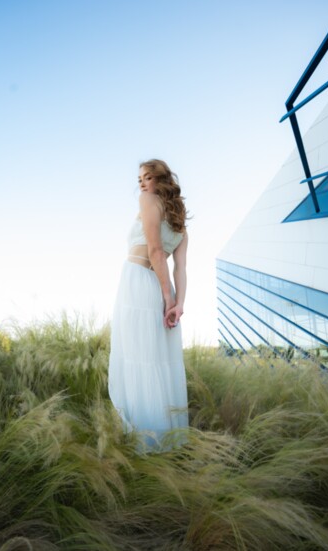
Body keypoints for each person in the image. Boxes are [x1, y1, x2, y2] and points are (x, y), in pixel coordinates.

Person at [108, 159, 189, 451]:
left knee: (137, 357)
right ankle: (163, 440)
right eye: (139, 178)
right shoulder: (181, 224)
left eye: (148, 177)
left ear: (161, 179)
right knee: (155, 360)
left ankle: (145, 441)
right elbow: (180, 269)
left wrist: (169, 299)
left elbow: (155, 250)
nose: (142, 184)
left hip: (140, 282)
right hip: (157, 286)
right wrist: (179, 304)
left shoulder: (148, 200)